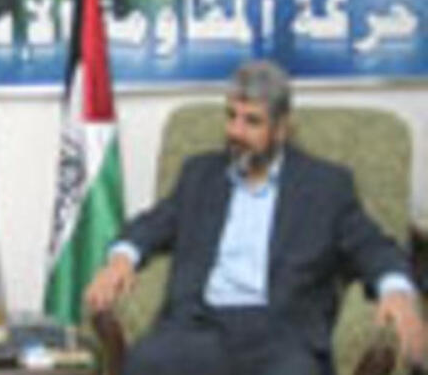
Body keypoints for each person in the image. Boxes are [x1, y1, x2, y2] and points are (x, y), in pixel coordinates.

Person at [86, 60, 425, 375]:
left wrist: (396, 291)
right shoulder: (200, 175)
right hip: (198, 326)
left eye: (252, 121)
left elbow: (373, 246)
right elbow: (153, 224)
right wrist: (122, 259)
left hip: (282, 335)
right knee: (145, 362)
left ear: (281, 129)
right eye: (231, 116)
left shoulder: (325, 186)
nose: (236, 131)